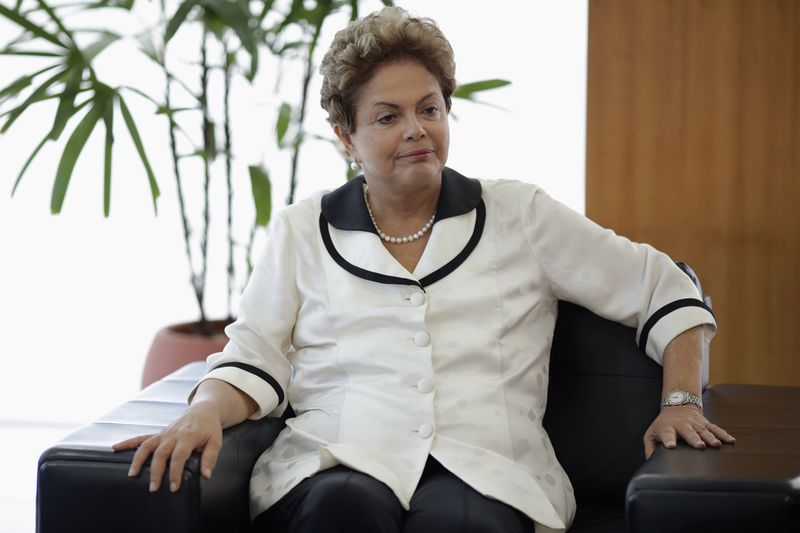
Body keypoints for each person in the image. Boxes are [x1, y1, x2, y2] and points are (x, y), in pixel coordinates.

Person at [113, 7, 735, 532]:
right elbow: (253, 356)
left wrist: (681, 399)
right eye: (387, 117)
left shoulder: (520, 213)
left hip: (491, 467)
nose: (417, 131)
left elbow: (665, 285)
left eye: (430, 109)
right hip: (337, 459)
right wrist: (202, 410)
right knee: (341, 506)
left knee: (460, 521)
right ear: (345, 136)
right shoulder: (302, 231)